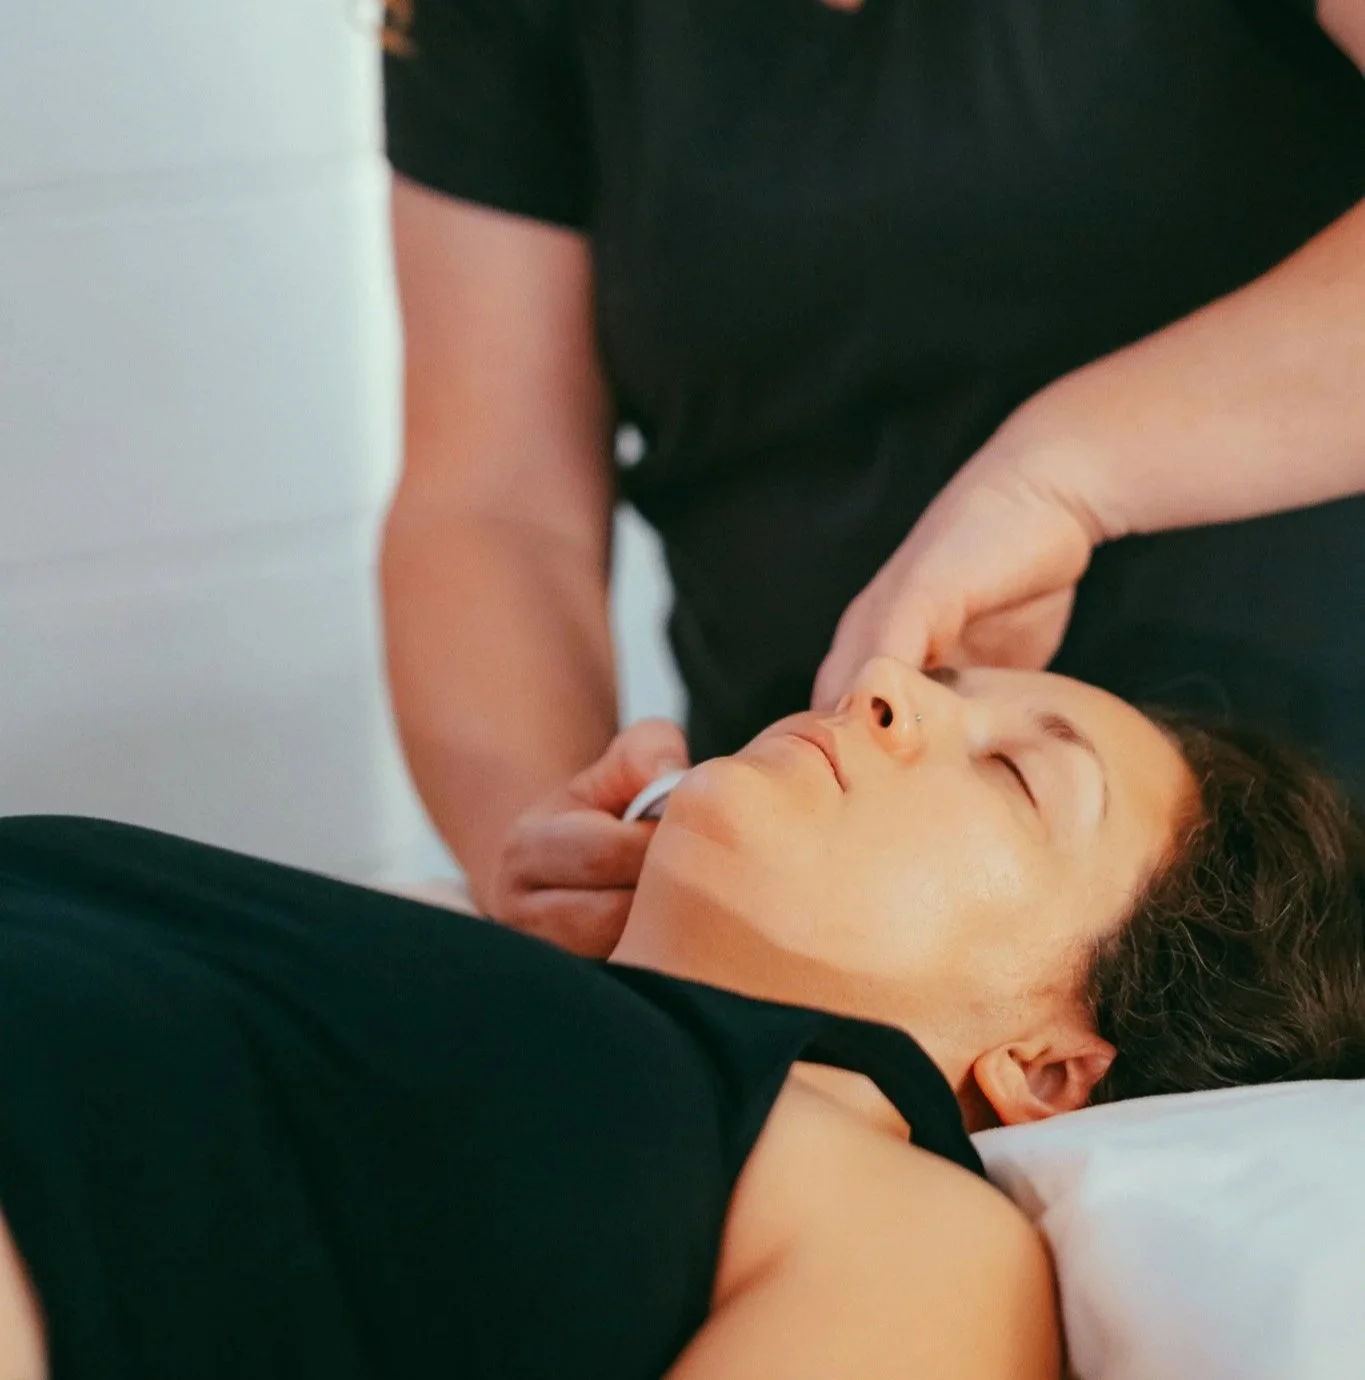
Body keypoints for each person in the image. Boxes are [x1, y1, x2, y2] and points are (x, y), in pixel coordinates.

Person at [0, 661, 1360, 1377]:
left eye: (1011, 772)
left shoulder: (921, 1240)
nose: (882, 686)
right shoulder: (455, 973)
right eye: (939, 689)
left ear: (1050, 1070)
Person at [379, 0, 1365, 943]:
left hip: (1298, 900)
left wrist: (1061, 477)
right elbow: (493, 502)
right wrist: (557, 851)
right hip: (826, 934)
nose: (886, 702)